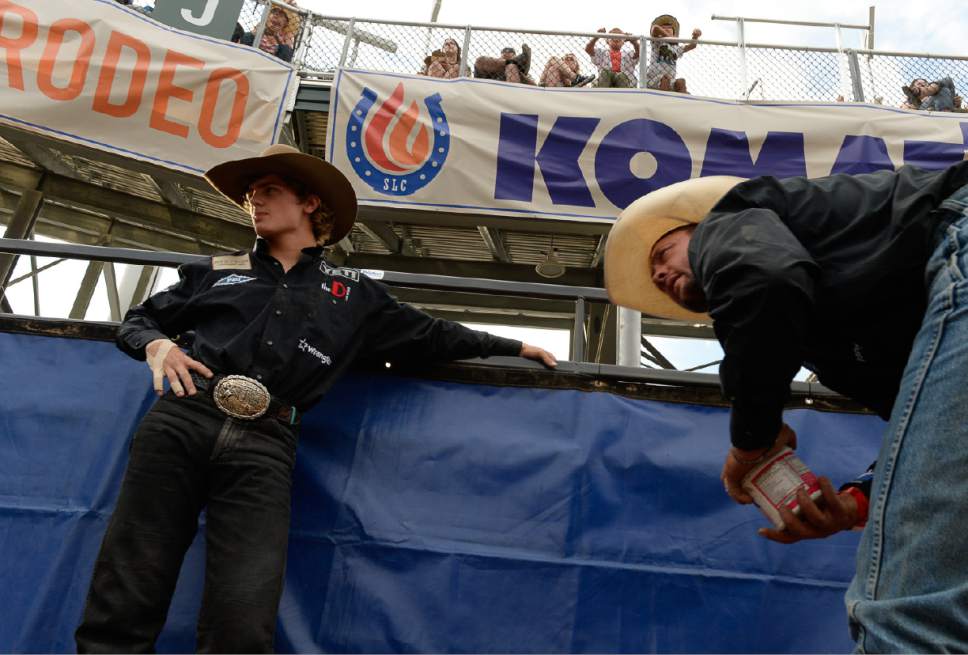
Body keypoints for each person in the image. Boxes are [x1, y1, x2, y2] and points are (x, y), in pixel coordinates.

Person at [74, 144, 558, 653]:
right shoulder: (215, 268)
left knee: (245, 608)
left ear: (309, 203)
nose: (255, 202)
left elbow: (432, 334)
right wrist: (157, 344)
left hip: (268, 442)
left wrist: (515, 345)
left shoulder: (354, 292)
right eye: (251, 194)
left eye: (270, 191)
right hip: (181, 418)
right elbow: (137, 321)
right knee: (130, 577)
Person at [603, 164, 968, 652]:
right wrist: (858, 501)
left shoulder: (731, 219)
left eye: (664, 254)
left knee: (909, 604)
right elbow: (932, 434)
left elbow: (763, 280)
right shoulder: (845, 346)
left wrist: (751, 440)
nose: (662, 274)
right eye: (656, 277)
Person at [644, 14, 701, 93]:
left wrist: (695, 36)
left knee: (681, 82)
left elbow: (692, 46)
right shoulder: (657, 42)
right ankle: (662, 102)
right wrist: (668, 37)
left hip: (670, 79)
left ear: (674, 34)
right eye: (663, 27)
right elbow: (655, 28)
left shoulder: (676, 49)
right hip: (653, 79)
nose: (666, 29)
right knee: (665, 79)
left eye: (669, 28)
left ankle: (683, 102)